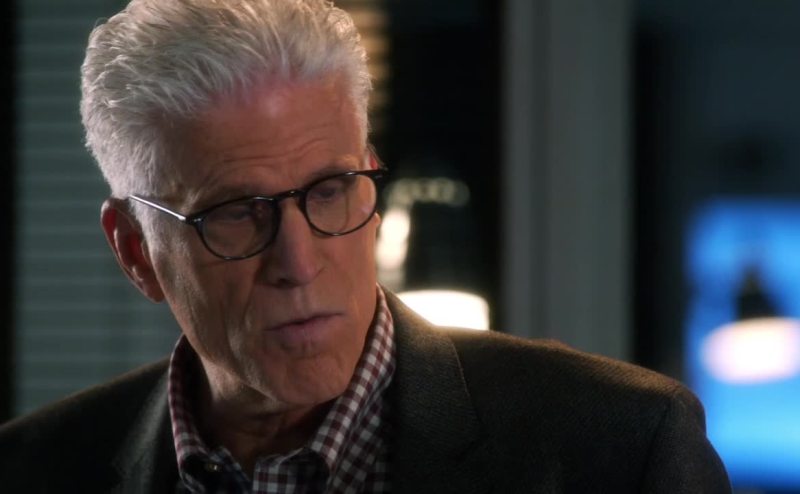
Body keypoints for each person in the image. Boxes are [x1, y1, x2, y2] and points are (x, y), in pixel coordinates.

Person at [0, 0, 731, 492]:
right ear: (135, 249)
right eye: (235, 214)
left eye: (329, 191)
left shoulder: (618, 447)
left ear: (372, 185)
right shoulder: (32, 469)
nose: (297, 264)